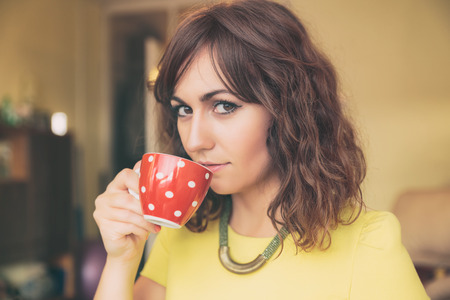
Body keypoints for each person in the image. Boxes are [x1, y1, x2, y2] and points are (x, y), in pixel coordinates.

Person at [93, 0, 429, 299]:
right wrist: (122, 259)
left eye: (224, 105)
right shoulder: (179, 236)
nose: (194, 140)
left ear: (288, 108)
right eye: (184, 109)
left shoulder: (368, 243)